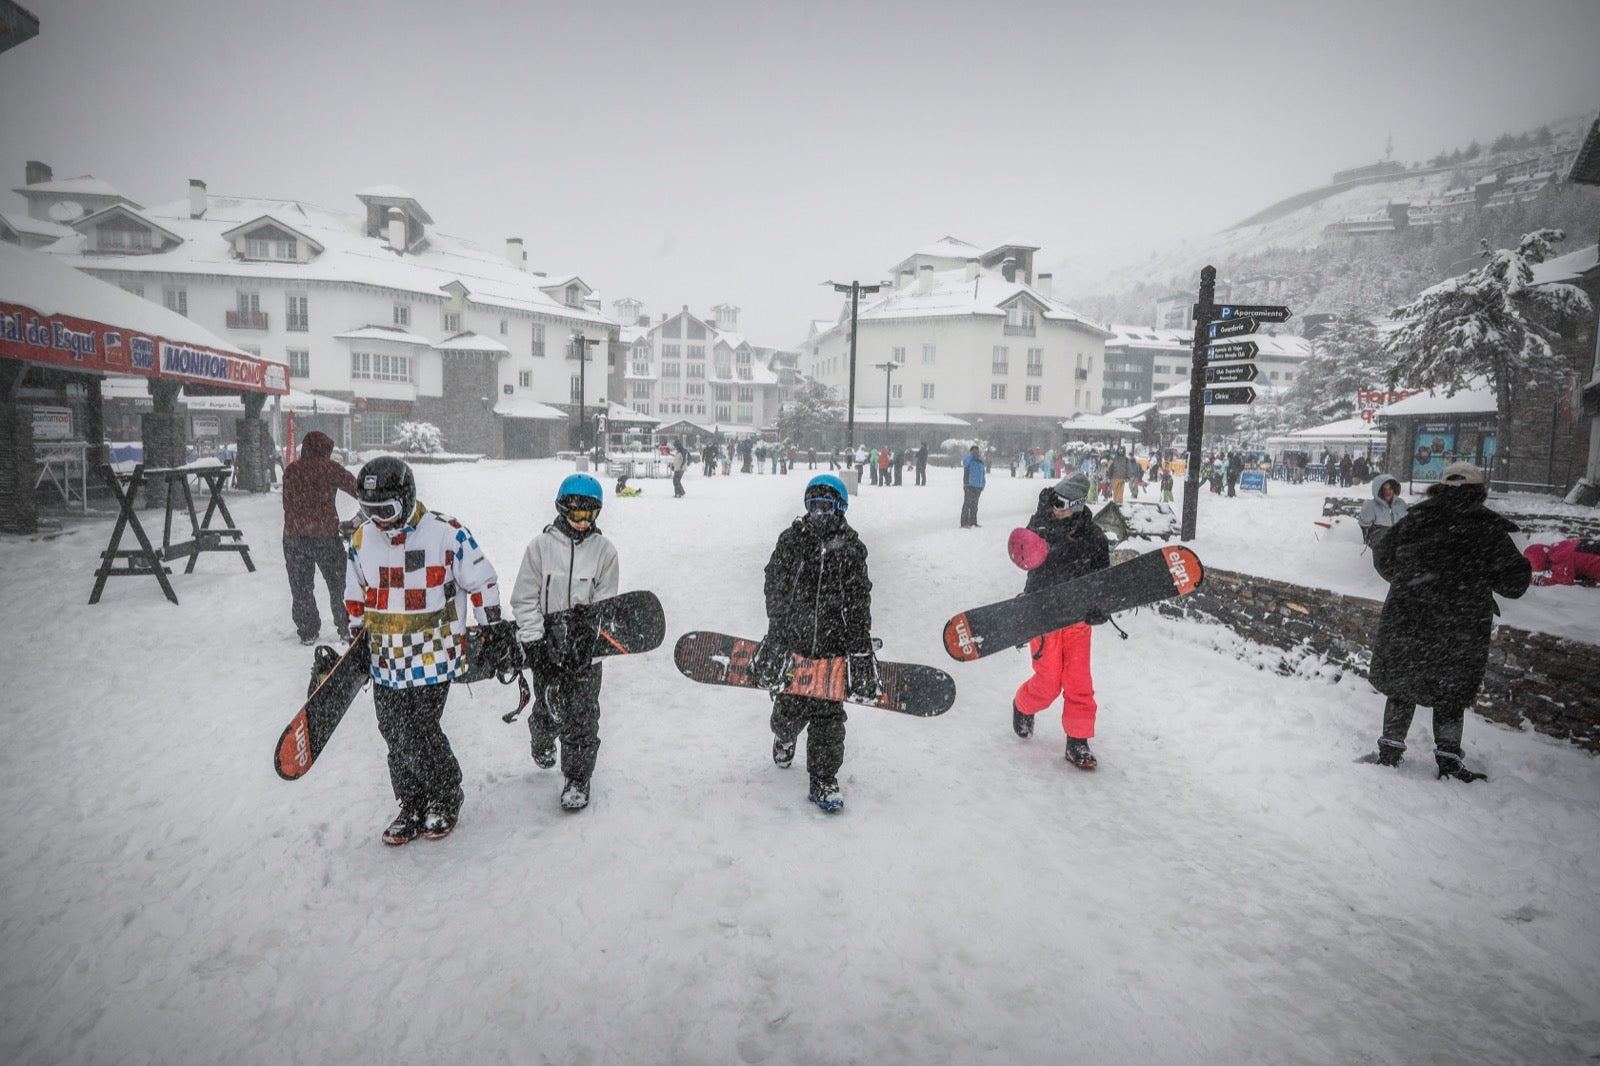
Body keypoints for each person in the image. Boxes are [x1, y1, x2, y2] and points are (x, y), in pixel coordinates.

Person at [343, 457, 508, 844]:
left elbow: (483, 580)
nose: (379, 521)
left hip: (433, 655)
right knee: (392, 732)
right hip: (385, 658)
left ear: (406, 497)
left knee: (416, 730)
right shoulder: (362, 540)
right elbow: (355, 594)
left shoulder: (446, 534)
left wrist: (493, 628)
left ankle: (446, 794)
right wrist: (355, 640)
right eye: (370, 511)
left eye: (386, 511)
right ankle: (412, 801)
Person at [1368, 462, 1531, 781]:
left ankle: (1390, 752)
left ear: (1440, 488)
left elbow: (1382, 555)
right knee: (1451, 688)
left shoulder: (1417, 518)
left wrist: (1408, 582)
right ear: (1478, 491)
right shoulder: (1486, 528)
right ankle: (1448, 761)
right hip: (1460, 623)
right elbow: (1514, 583)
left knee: (1404, 682)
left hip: (1410, 617)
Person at [751, 474, 878, 812]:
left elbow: (858, 600)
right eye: (813, 506)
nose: (818, 513)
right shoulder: (793, 540)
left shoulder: (851, 548)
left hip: (832, 646)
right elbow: (774, 583)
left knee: (828, 717)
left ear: (839, 509)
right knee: (789, 711)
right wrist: (778, 630)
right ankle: (785, 734)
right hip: (794, 641)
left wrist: (859, 648)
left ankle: (823, 778)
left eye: (825, 507)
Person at [511, 474, 621, 812]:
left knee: (583, 715)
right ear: (562, 509)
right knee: (549, 707)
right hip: (547, 646)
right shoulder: (540, 548)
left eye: (589, 516)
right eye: (576, 515)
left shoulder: (605, 552)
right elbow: (524, 598)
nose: (582, 522)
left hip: (585, 651)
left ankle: (577, 777)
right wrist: (535, 642)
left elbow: (605, 603)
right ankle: (542, 736)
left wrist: (588, 641)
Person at [1011, 474, 1112, 769]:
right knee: (1048, 682)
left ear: (1078, 505)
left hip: (1077, 619)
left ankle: (1077, 741)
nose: (1057, 509)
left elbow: (1104, 581)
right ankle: (1022, 705)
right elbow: (1024, 556)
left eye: (1063, 505)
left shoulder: (1094, 538)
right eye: (1055, 502)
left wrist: (1100, 608)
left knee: (1079, 681)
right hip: (1043, 616)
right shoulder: (1041, 526)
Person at [281, 430, 358, 645]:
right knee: (339, 583)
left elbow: (288, 504)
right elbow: (359, 490)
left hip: (294, 536)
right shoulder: (330, 468)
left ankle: (307, 630)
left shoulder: (291, 471)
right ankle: (347, 627)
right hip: (325, 536)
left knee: (301, 587)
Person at [1357, 472, 1408, 550]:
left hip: (1399, 546)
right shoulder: (1370, 506)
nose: (1388, 492)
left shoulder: (1401, 504)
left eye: (1390, 489)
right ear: (1379, 491)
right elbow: (1364, 527)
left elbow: (1407, 523)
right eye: (1384, 489)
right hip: (1380, 547)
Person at [1523, 538, 1600, 586]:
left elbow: (1560, 582)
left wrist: (1539, 581)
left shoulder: (1560, 558)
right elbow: (1585, 562)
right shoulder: (1560, 548)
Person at [960, 445, 986, 528]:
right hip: (969, 485)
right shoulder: (969, 460)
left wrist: (983, 484)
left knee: (975, 505)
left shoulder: (980, 461)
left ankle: (973, 521)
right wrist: (971, 455)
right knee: (967, 504)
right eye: (974, 451)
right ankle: (964, 523)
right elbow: (964, 462)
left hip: (978, 487)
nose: (976, 453)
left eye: (977, 451)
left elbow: (983, 474)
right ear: (971, 452)